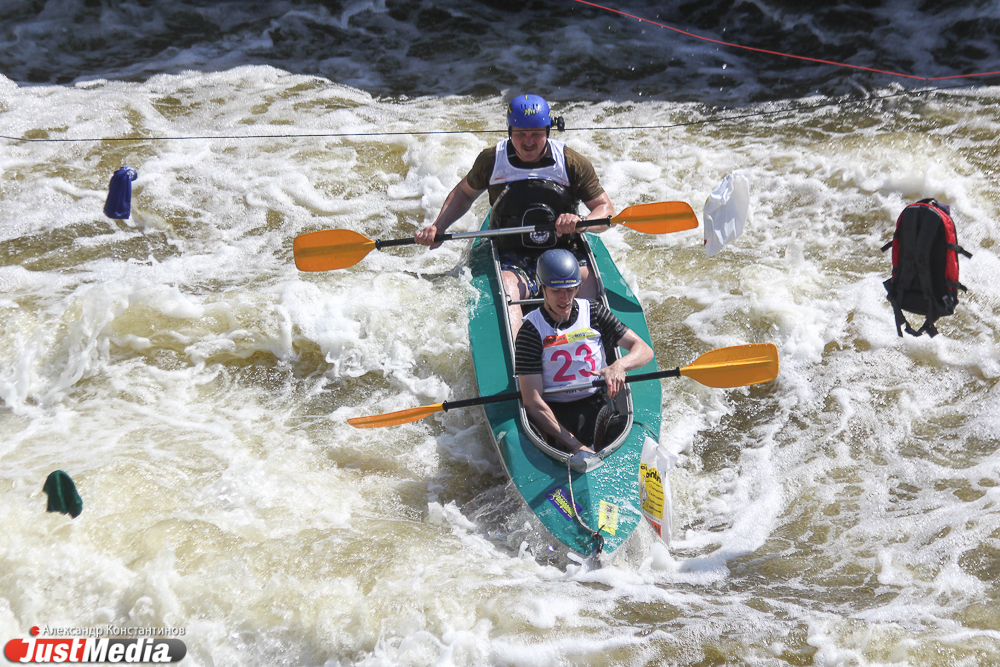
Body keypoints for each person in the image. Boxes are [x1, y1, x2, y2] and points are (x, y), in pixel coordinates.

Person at [415, 94, 615, 337]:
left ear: (548, 131)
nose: (528, 142)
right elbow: (464, 193)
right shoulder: (492, 160)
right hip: (511, 253)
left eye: (536, 134)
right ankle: (522, 352)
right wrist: (439, 226)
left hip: (564, 251)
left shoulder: (571, 162)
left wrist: (581, 223)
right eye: (520, 134)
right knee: (508, 286)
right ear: (510, 131)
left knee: (586, 279)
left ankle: (585, 343)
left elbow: (606, 210)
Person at [515, 249, 653, 459]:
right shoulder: (531, 331)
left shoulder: (594, 311)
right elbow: (532, 402)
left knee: (619, 431)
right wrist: (575, 446)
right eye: (556, 291)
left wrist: (619, 365)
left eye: (571, 289)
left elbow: (644, 350)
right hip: (553, 410)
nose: (565, 298)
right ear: (542, 289)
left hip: (596, 403)